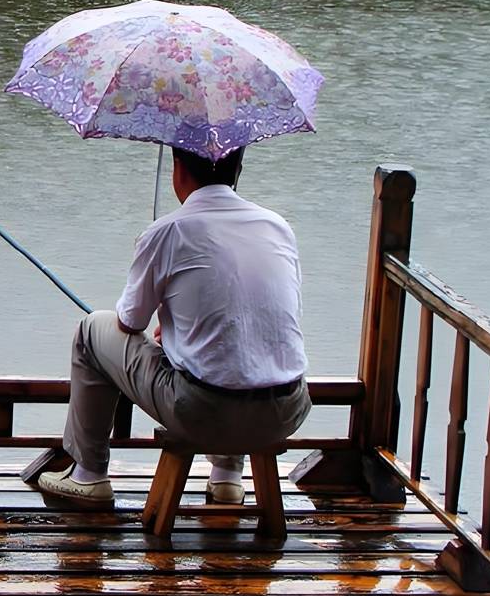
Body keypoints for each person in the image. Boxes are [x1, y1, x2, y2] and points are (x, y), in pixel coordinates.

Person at [36, 145, 309, 508]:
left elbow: (129, 322)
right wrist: (182, 334)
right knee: (242, 347)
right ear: (238, 169)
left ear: (178, 169)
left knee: (92, 330)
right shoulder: (278, 226)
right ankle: (227, 478)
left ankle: (89, 474)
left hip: (204, 414)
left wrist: (172, 329)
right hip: (286, 409)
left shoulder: (168, 230)